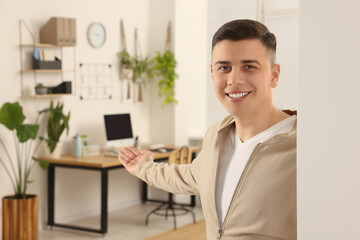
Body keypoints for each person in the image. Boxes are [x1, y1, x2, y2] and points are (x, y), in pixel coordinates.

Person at [119, 19, 297, 240]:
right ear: (213, 73)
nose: (234, 80)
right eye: (225, 68)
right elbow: (189, 177)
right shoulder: (216, 136)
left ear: (274, 74)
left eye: (249, 66)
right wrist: (142, 167)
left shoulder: (303, 145)